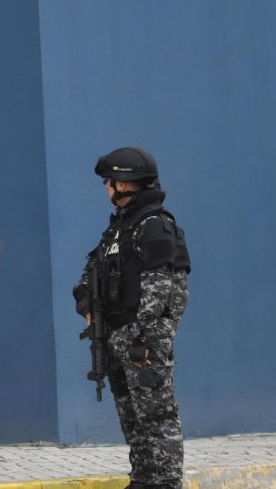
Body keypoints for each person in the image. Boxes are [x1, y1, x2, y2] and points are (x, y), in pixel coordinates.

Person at [72, 147, 190, 489]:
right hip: (115, 336)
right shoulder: (116, 231)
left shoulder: (154, 224)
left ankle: (165, 482)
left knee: (157, 417)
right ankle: (143, 479)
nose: (106, 187)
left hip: (142, 340)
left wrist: (143, 336)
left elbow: (163, 287)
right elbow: (87, 276)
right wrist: (85, 302)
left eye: (109, 181)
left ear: (124, 183)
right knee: (133, 418)